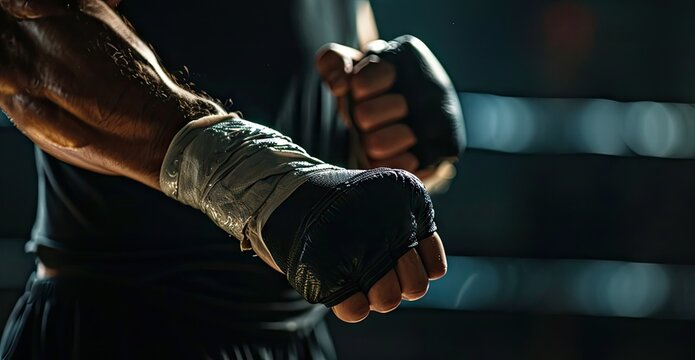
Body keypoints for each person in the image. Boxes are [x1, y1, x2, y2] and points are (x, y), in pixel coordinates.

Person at [0, 0, 465, 358]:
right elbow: (29, 38)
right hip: (121, 325)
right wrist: (248, 177)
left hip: (298, 336)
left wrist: (391, 128)